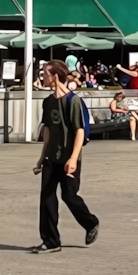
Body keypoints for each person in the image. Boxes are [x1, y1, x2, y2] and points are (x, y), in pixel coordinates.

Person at [31, 59, 100, 253]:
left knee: (69, 196)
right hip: (52, 157)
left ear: (54, 77)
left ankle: (91, 222)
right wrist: (41, 157)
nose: (42, 77)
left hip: (69, 157)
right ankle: (51, 241)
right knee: (47, 198)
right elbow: (48, 131)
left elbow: (79, 130)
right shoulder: (48, 102)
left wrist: (73, 158)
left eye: (45, 73)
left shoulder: (73, 101)